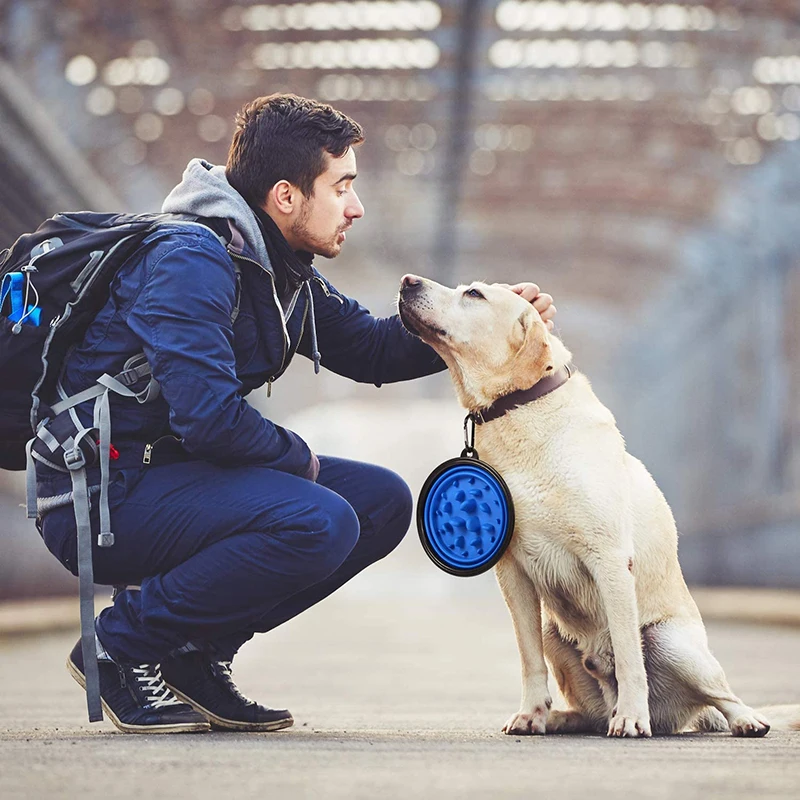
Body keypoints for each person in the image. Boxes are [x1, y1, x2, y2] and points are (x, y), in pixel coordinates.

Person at [36, 93, 557, 734]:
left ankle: (195, 656)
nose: (356, 207)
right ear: (286, 196)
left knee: (382, 501)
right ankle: (119, 645)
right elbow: (210, 418)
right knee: (319, 520)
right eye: (342, 187)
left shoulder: (282, 272)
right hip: (102, 495)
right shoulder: (190, 261)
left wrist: (472, 325)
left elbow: (369, 347)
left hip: (172, 477)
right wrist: (300, 460)